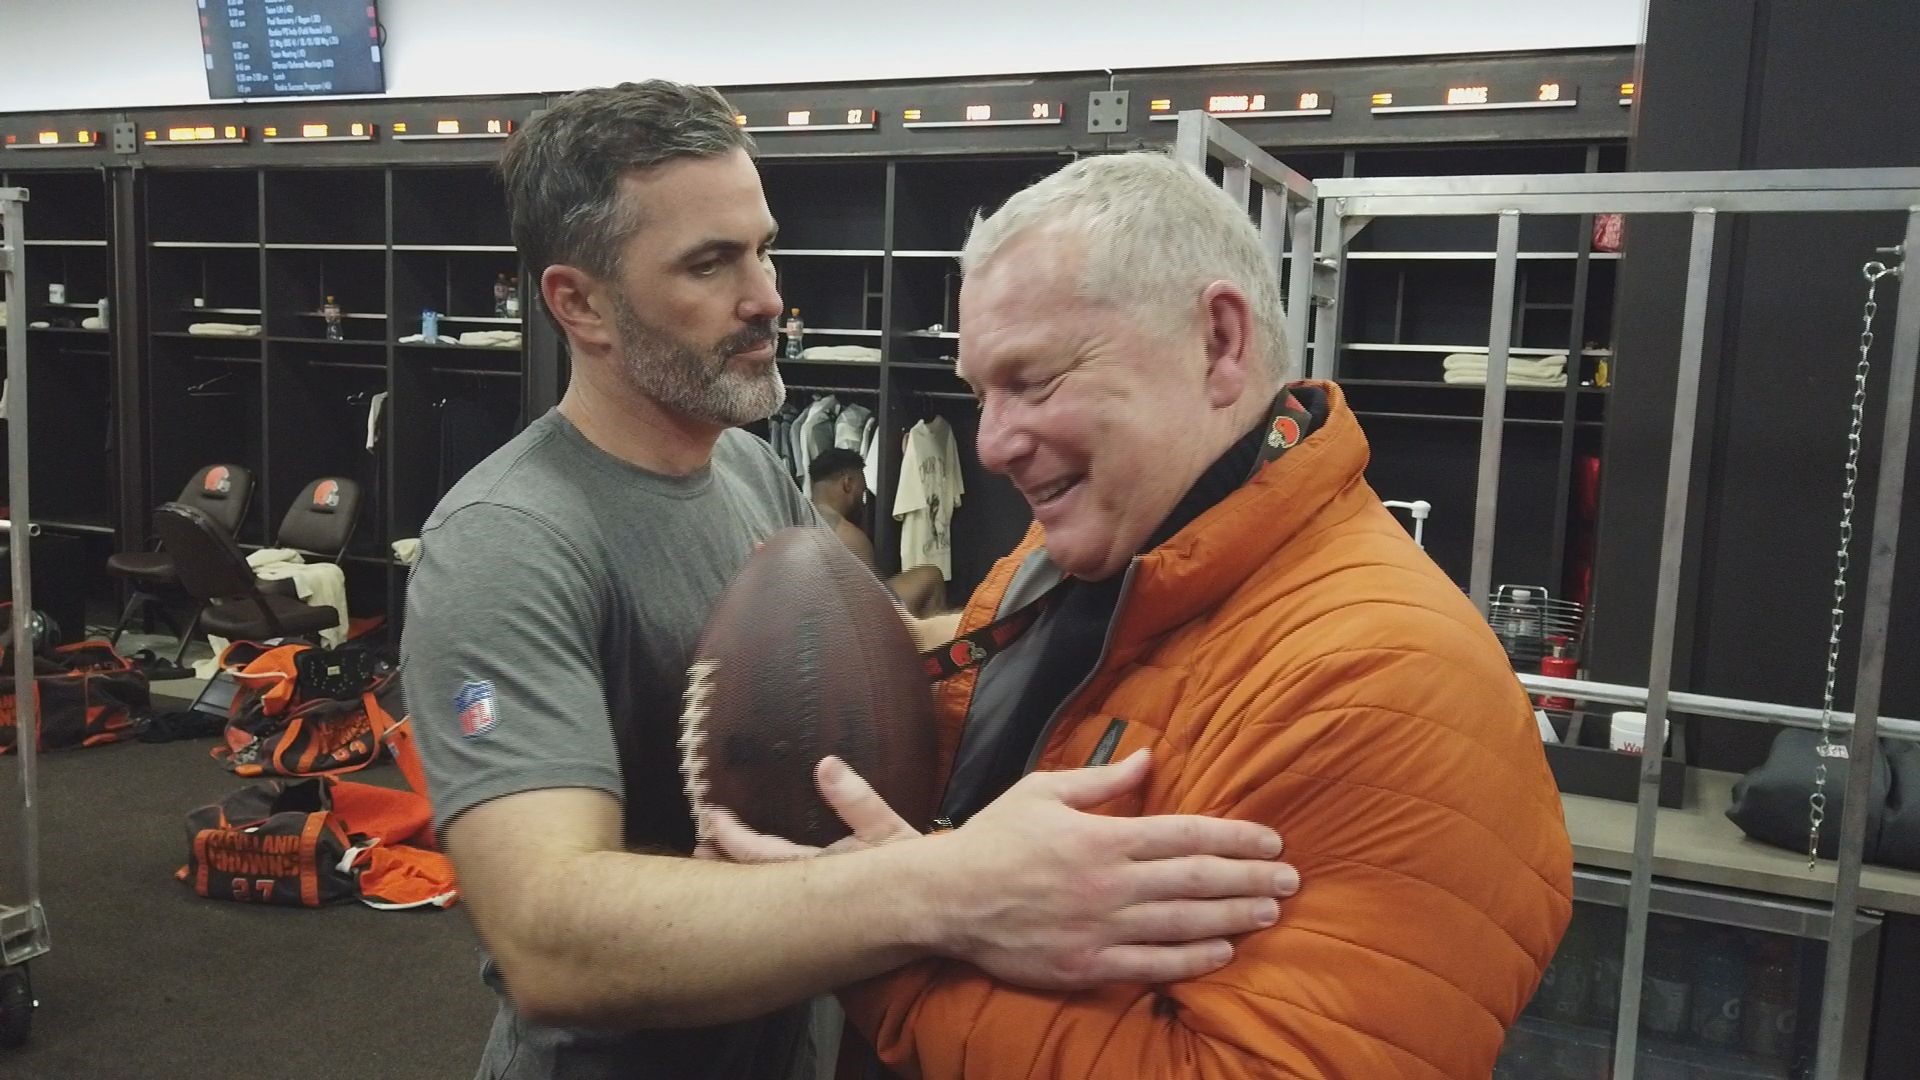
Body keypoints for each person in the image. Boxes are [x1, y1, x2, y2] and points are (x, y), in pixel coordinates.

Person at [398, 82, 1299, 1080]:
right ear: (579, 303)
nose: (768, 297)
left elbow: (855, 651)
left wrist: (1146, 613)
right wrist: (948, 888)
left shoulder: (742, 466)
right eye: (711, 264)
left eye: (763, 248)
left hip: (789, 1037)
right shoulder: (505, 543)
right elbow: (548, 937)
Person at [709, 152, 1575, 1078]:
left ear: (1219, 343)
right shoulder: (1062, 570)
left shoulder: (1385, 678)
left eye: (1034, 381)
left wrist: (880, 937)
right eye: (978, 395)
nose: (993, 445)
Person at [809, 446, 947, 617]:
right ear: (847, 483)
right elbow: (873, 610)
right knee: (930, 575)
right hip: (845, 626)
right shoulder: (848, 537)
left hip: (811, 624)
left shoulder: (794, 522)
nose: (863, 499)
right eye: (863, 490)